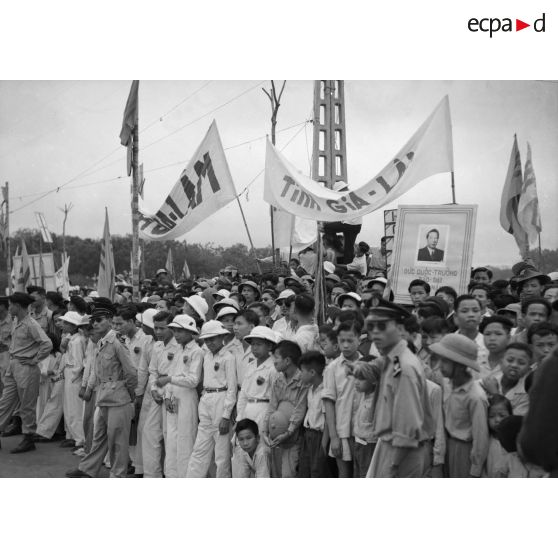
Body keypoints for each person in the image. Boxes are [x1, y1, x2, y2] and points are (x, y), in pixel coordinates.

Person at [66, 299, 137, 477]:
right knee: (99, 437)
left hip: (118, 398)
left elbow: (131, 373)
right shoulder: (101, 342)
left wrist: (127, 394)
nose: (95, 324)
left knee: (118, 441)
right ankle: (88, 469)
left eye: (99, 320)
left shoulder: (117, 342)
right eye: (93, 321)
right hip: (104, 396)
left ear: (109, 319)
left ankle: (118, 474)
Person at [366, 301, 433, 478]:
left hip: (402, 452)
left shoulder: (404, 367)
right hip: (392, 447)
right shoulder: (394, 360)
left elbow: (407, 425)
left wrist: (393, 463)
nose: (375, 334)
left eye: (382, 327)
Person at [429, 333, 489, 478]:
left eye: (446, 362)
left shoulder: (475, 396)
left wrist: (475, 469)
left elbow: (480, 437)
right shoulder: (449, 385)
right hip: (448, 446)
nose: (440, 366)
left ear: (461, 365)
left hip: (464, 451)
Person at [0, 292, 52, 454]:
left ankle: (28, 438)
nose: (9, 308)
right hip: (14, 365)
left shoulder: (31, 324)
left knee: (26, 406)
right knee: (5, 402)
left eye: (11, 305)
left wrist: (35, 360)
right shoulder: (17, 321)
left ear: (18, 306)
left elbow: (47, 344)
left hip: (26, 367)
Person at [187, 320, 237, 478]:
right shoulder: (206, 356)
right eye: (207, 339)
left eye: (213, 338)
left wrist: (226, 415)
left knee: (221, 453)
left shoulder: (228, 357)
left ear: (222, 337)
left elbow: (232, 388)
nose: (210, 342)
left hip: (221, 400)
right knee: (200, 447)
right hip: (206, 398)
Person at [156, 314, 203, 477]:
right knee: (171, 441)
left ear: (190, 332)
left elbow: (193, 380)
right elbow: (172, 372)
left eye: (180, 331)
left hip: (187, 399)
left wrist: (170, 380)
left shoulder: (197, 351)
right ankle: (171, 476)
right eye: (175, 330)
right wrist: (167, 396)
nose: (176, 334)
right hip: (174, 398)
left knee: (185, 441)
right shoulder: (178, 349)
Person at [262, 340, 308, 478]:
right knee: (276, 473)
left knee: (289, 473)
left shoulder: (302, 380)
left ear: (287, 360)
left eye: (276, 357)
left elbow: (300, 409)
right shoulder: (278, 380)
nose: (274, 361)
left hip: (294, 436)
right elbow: (272, 406)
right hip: (276, 436)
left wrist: (288, 432)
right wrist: (265, 429)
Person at [322, 320, 361, 477]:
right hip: (342, 432)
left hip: (363, 433)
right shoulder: (332, 368)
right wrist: (334, 437)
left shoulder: (369, 363)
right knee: (344, 476)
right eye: (342, 341)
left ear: (360, 339)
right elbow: (329, 403)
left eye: (350, 340)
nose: (345, 345)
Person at [236, 326, 277, 432]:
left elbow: (274, 398)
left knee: (261, 445)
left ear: (269, 346)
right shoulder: (251, 365)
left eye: (258, 344)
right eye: (253, 344)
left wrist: (269, 419)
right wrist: (239, 417)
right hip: (247, 409)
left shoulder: (273, 367)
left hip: (263, 410)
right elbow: (243, 394)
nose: (254, 348)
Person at [297, 351, 331, 478]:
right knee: (305, 469)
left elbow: (328, 419)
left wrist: (324, 443)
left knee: (318, 471)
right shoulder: (310, 389)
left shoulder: (325, 391)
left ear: (312, 372)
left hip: (319, 436)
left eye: (302, 371)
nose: (300, 375)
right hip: (308, 435)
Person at [59, 311, 88, 455]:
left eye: (65, 323)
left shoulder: (77, 341)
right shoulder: (72, 338)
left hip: (73, 376)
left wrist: (73, 377)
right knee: (69, 408)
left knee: (75, 410)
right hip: (70, 373)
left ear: (72, 325)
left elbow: (78, 362)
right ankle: (74, 436)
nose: (62, 325)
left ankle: (80, 439)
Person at [481, 343, 531, 417]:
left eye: (521, 363)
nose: (514, 365)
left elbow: (510, 422)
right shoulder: (487, 383)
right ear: (501, 362)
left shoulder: (527, 393)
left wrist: (495, 394)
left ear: (528, 369)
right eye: (510, 360)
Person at [351, 359, 381, 478]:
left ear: (374, 381)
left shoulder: (378, 401)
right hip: (359, 443)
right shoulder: (363, 395)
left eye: (361, 379)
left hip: (370, 447)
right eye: (356, 378)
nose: (356, 382)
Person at [484, 395, 512, 477]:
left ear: (510, 416)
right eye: (492, 416)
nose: (497, 420)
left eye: (502, 416)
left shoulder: (513, 442)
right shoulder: (486, 440)